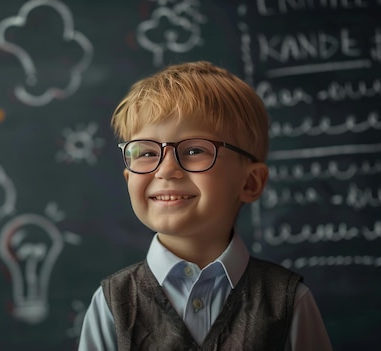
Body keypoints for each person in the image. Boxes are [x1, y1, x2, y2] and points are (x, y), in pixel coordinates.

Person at [78, 61, 332, 350]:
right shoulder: (112, 304)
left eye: (195, 150)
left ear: (250, 183)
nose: (166, 170)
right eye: (147, 152)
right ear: (128, 179)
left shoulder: (289, 302)